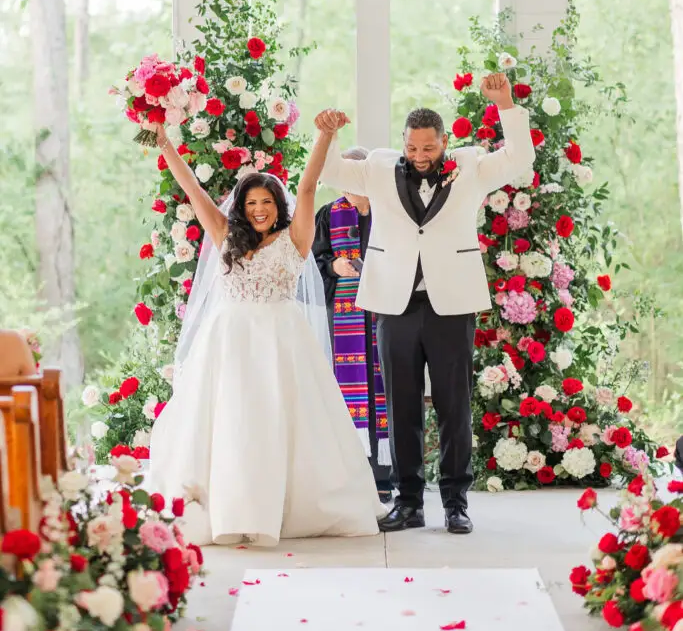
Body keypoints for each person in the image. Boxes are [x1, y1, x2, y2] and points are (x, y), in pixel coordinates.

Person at [148, 121, 386, 547]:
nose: (260, 209)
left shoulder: (295, 238)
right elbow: (193, 192)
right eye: (252, 202)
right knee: (230, 422)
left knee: (285, 421)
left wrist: (325, 137)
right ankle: (228, 507)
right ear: (242, 207)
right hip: (229, 343)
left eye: (267, 201)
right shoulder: (223, 233)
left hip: (281, 341)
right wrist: (165, 144)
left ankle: (285, 506)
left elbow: (310, 185)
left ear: (279, 205)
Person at [316, 72, 535, 535]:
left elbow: (519, 158)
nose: (419, 157)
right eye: (412, 148)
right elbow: (331, 171)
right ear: (403, 143)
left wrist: (507, 106)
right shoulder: (377, 166)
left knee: (454, 405)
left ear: (444, 142)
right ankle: (409, 501)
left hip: (450, 304)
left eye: (428, 149)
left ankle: (456, 502)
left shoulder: (471, 165)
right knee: (402, 407)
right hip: (393, 305)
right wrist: (328, 134)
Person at [313, 147, 392, 504]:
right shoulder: (329, 215)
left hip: (385, 313)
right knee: (346, 395)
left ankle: (385, 476)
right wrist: (334, 267)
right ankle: (350, 475)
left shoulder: (391, 212)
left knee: (385, 389)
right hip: (343, 317)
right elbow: (312, 261)